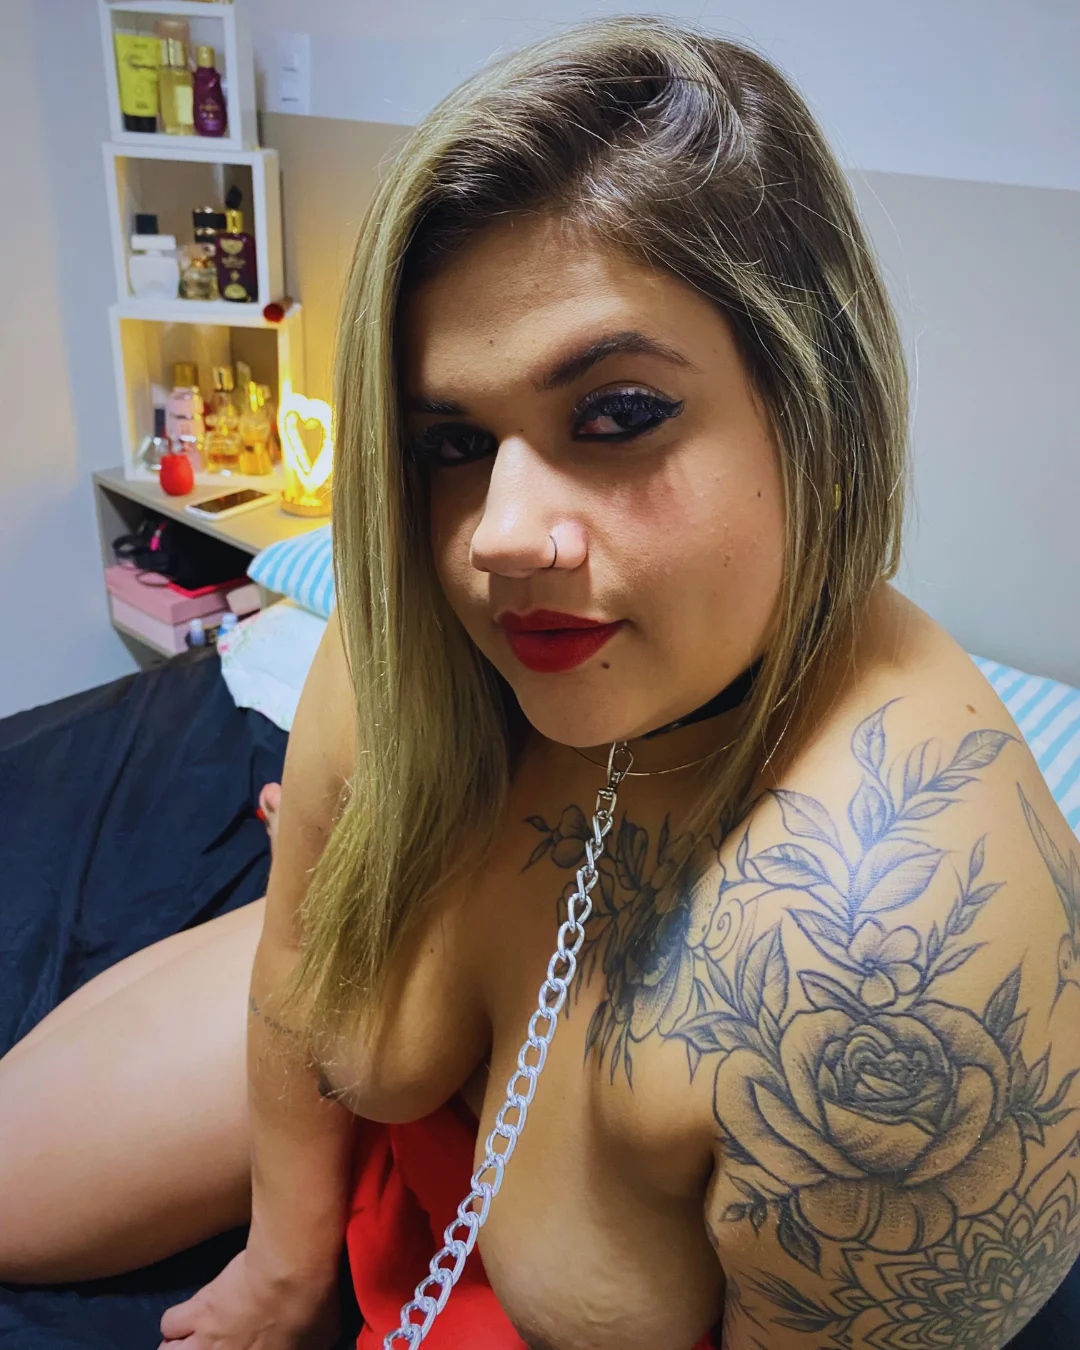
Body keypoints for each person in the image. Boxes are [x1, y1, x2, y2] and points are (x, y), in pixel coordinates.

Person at [2, 15, 1078, 1350]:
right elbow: (294, 954)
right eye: (450, 441)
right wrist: (283, 1268)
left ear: (819, 413)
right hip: (389, 1156)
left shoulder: (891, 957)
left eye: (618, 413)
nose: (497, 541)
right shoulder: (413, 623)